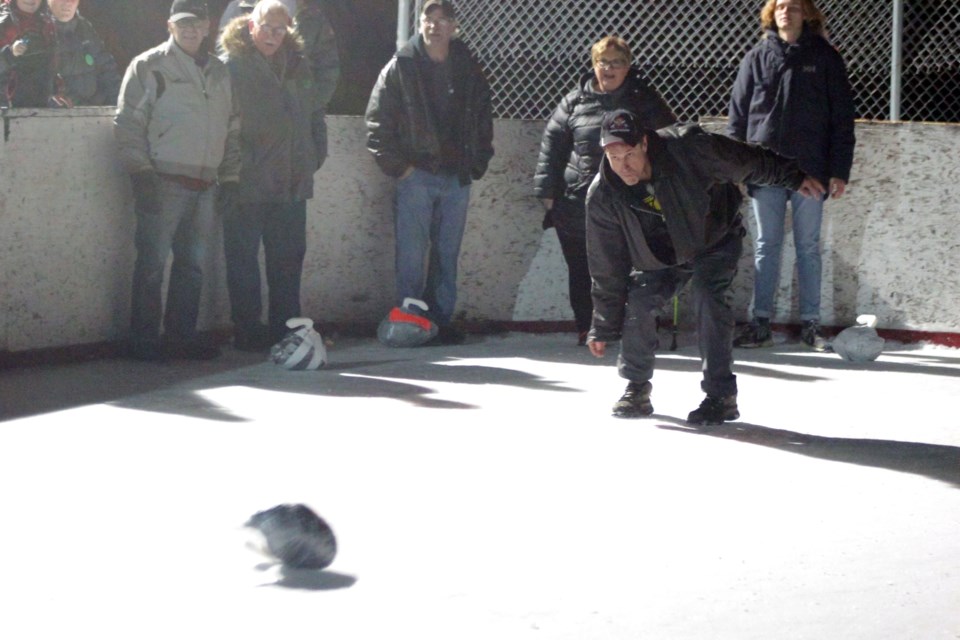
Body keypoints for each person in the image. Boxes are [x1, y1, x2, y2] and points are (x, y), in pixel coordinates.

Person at [586, 109, 825, 424]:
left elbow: (747, 160)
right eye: (615, 157)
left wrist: (792, 176)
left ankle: (720, 395)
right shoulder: (603, 193)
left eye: (629, 154)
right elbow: (606, 264)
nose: (624, 166)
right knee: (639, 300)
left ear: (644, 143)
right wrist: (602, 324)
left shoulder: (690, 149)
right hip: (660, 255)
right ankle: (636, 387)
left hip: (713, 239)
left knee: (708, 297)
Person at [115, 0, 240, 361]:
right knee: (151, 265)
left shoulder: (220, 72)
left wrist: (229, 176)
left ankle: (180, 338)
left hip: (205, 186)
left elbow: (232, 127)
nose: (189, 29)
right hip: (162, 181)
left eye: (196, 23)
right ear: (170, 26)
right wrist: (140, 174)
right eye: (182, 23)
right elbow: (128, 123)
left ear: (207, 27)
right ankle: (143, 340)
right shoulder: (150, 66)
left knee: (193, 266)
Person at [727, 0, 856, 351]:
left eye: (794, 6)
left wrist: (838, 170)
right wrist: (736, 165)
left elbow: (842, 118)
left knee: (808, 247)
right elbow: (738, 115)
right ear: (772, 13)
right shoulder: (756, 57)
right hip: (765, 170)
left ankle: (811, 324)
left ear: (807, 14)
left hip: (810, 170)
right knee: (767, 246)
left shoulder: (826, 57)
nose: (787, 12)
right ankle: (761, 323)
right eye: (780, 6)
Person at [364, 0, 493, 345]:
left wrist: (478, 161)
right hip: (416, 176)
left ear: (454, 27)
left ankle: (440, 321)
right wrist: (401, 169)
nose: (434, 26)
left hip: (456, 177)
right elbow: (377, 123)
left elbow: (483, 117)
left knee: (446, 253)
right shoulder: (401, 67)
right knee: (411, 254)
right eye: (428, 19)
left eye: (442, 20)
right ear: (419, 24)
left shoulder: (468, 67)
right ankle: (410, 320)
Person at [533, 35, 676, 346]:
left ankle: (631, 327)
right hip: (577, 202)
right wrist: (547, 193)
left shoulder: (644, 100)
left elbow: (668, 143)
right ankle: (589, 327)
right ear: (593, 65)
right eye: (603, 62)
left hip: (632, 202)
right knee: (582, 270)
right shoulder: (573, 101)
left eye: (617, 63)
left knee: (629, 268)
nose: (609, 69)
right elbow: (552, 146)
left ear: (628, 67)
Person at [218, 0, 327, 350]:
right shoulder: (231, 67)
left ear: (289, 31)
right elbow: (223, 123)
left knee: (288, 262)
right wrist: (232, 173)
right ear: (251, 25)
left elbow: (313, 114)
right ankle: (247, 331)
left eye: (280, 29)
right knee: (243, 262)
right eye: (266, 27)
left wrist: (313, 156)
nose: (272, 35)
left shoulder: (298, 66)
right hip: (246, 184)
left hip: (292, 185)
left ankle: (287, 328)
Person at [48, 0, 121, 105]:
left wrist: (119, 102)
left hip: (95, 111)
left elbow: (107, 68)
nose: (67, 3)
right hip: (56, 114)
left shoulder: (86, 28)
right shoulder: (39, 30)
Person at [0, 0, 60, 108]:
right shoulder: (4, 22)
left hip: (41, 106)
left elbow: (54, 67)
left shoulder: (48, 24)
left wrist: (58, 94)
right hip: (6, 108)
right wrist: (10, 53)